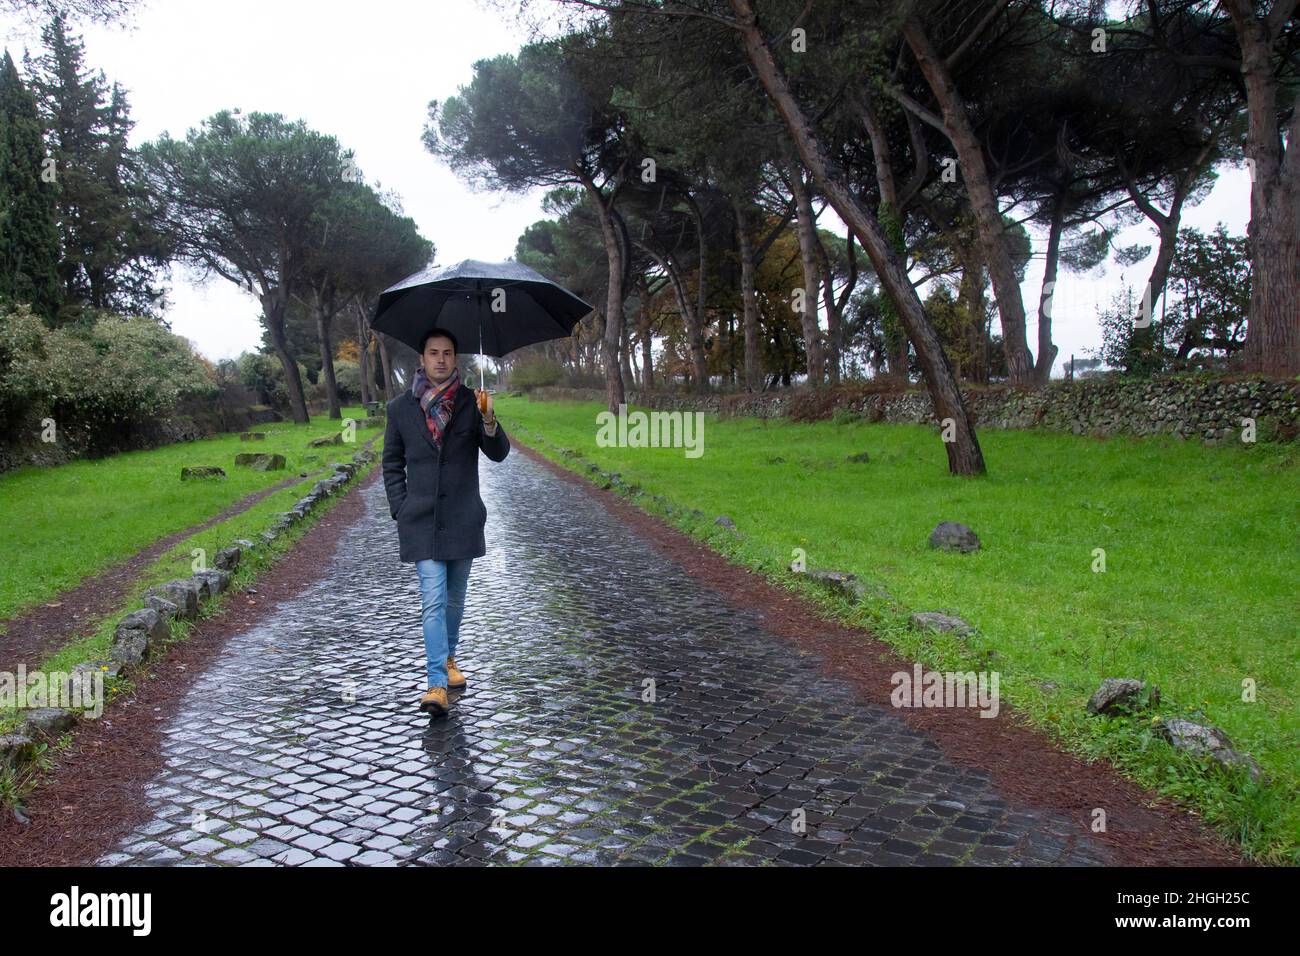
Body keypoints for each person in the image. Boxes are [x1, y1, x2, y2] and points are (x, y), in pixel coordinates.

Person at [381, 327, 509, 718]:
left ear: (456, 359)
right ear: (422, 358)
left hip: (463, 517)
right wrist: (401, 508)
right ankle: (436, 682)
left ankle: (449, 657)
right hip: (420, 520)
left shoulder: (474, 402)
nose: (441, 359)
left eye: (448, 353)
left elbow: (498, 454)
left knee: (454, 600)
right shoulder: (400, 408)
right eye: (434, 352)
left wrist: (489, 421)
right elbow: (391, 463)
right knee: (432, 599)